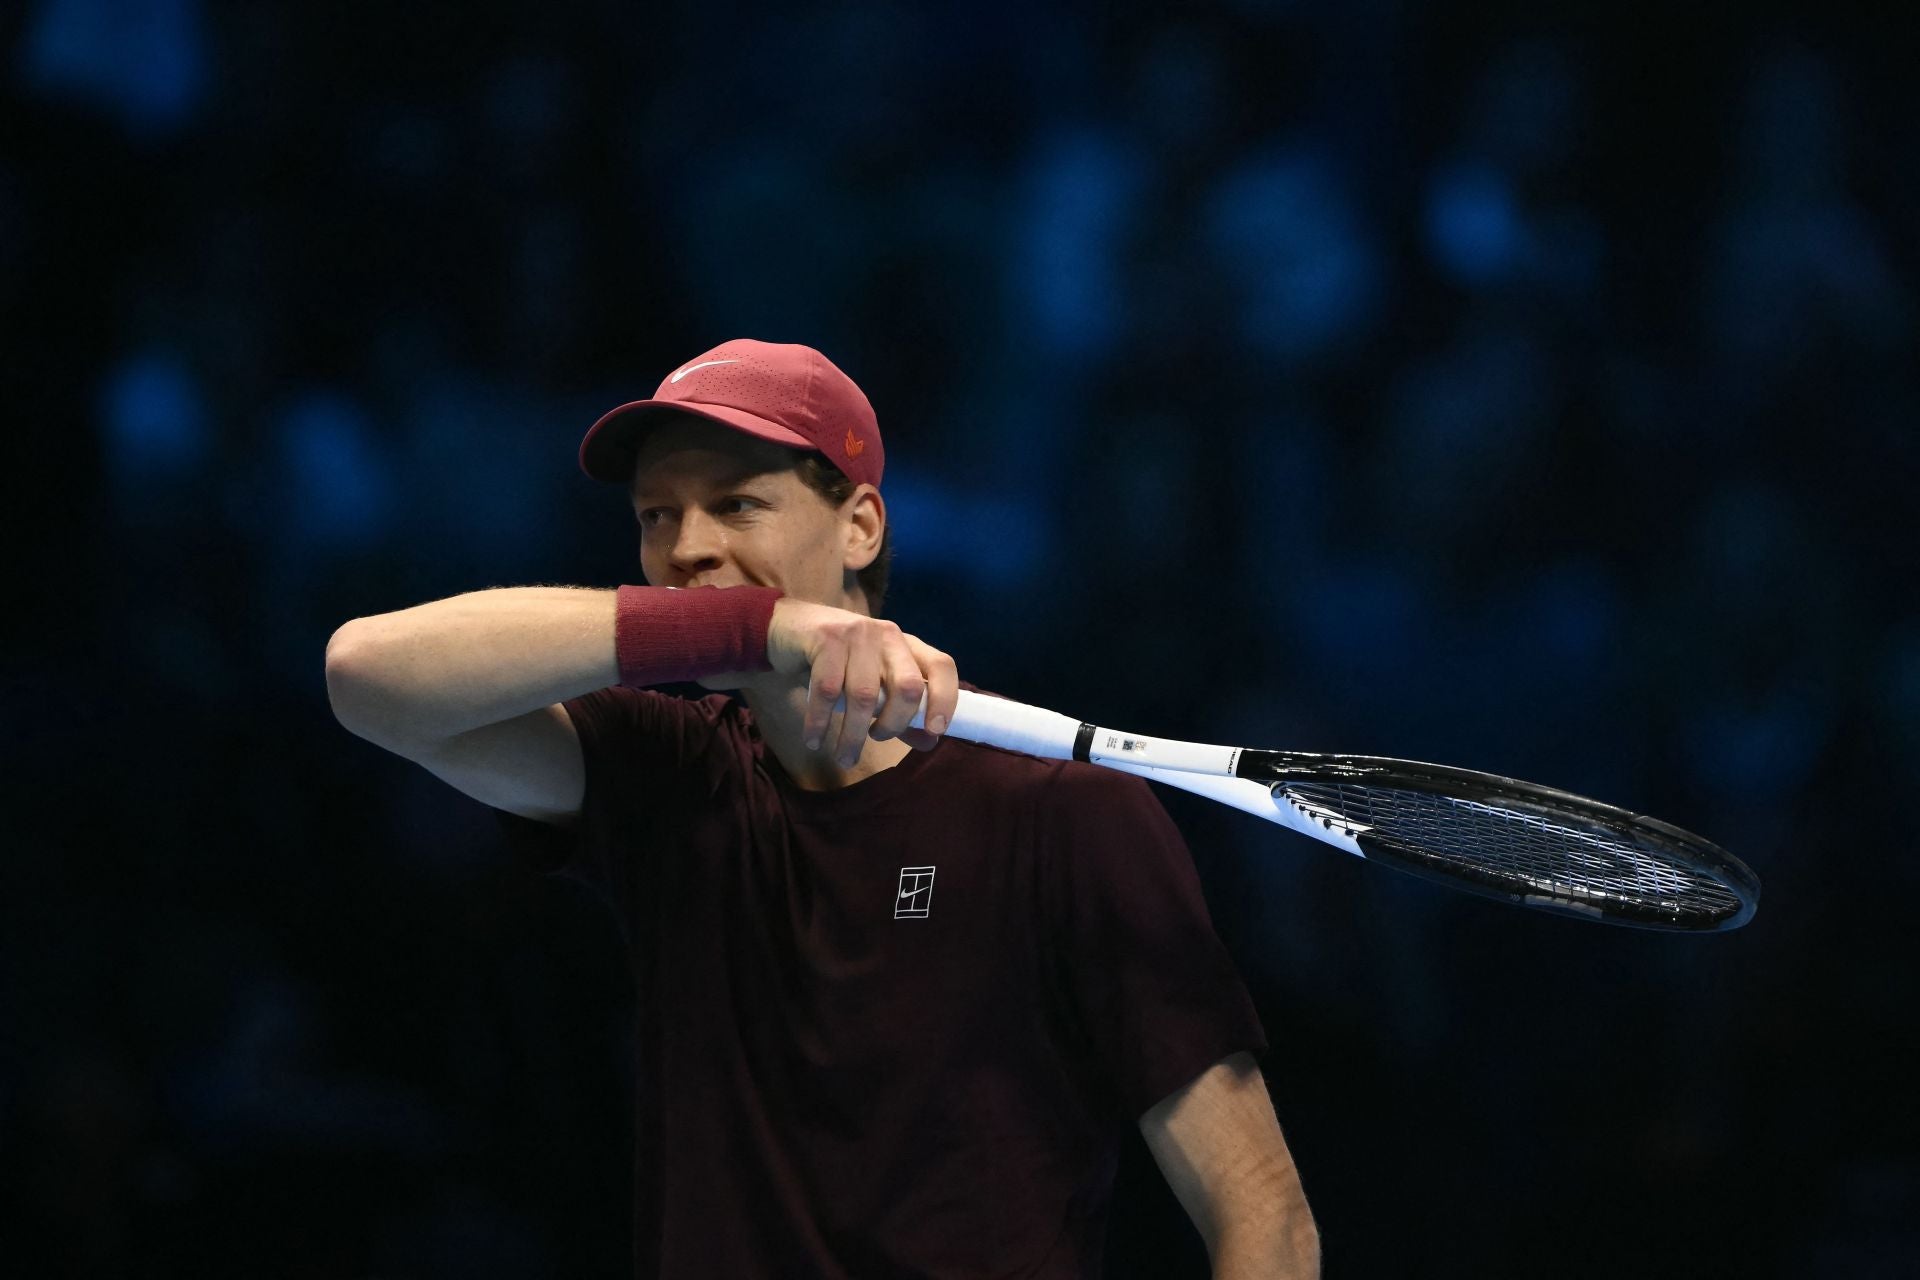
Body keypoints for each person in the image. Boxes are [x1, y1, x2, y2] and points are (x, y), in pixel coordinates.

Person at [325, 339, 1319, 1278]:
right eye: (656, 515)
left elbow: (1265, 1216)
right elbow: (367, 674)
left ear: (861, 526)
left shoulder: (1066, 815)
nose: (686, 549)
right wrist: (766, 623)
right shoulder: (665, 774)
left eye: (737, 504)